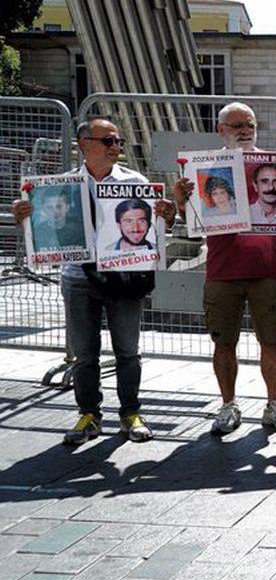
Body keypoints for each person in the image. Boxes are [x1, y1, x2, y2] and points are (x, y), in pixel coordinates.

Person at [12, 118, 175, 444]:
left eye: (118, 142)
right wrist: (26, 216)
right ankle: (88, 415)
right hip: (77, 277)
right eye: (108, 141)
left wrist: (166, 216)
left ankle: (131, 413)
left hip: (124, 276)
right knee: (85, 354)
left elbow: (158, 229)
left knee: (128, 350)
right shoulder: (60, 186)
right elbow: (45, 229)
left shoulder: (135, 181)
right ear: (85, 143)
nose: (115, 147)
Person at [175, 102, 276, 436]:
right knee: (223, 343)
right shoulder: (204, 168)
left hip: (266, 269)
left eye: (249, 124)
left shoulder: (275, 163)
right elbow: (190, 222)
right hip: (222, 270)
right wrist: (182, 200)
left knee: (272, 340)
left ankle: (274, 405)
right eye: (236, 124)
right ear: (220, 130)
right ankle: (228, 406)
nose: (243, 130)